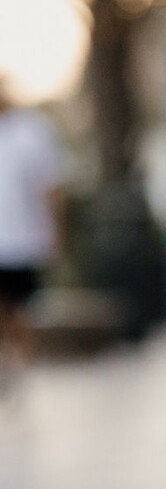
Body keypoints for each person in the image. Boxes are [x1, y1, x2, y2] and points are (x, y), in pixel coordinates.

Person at [0, 77, 65, 388]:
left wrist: (54, 232)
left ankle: (20, 368)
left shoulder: (31, 131)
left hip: (23, 241)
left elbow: (51, 187)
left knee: (22, 311)